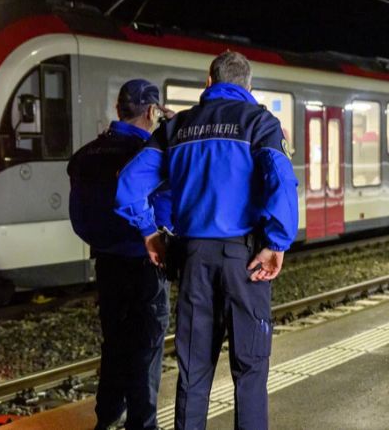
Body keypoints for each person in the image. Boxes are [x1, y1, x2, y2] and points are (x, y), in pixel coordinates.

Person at [115, 52, 299, 430]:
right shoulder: (260, 123)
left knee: (193, 370)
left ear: (208, 81)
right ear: (248, 85)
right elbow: (282, 183)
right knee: (249, 371)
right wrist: (276, 243)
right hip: (246, 262)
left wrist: (150, 232)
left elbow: (128, 185)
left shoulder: (177, 127)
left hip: (193, 259)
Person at [67, 79, 174, 430]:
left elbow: (80, 219)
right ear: (151, 111)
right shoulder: (150, 154)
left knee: (114, 343)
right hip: (146, 262)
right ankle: (143, 425)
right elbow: (166, 205)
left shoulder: (86, 155)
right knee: (146, 349)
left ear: (118, 110)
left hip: (107, 263)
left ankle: (108, 417)